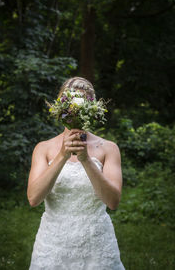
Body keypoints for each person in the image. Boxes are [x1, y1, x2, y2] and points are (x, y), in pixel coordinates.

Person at [27, 77, 125, 270]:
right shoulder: (43, 148)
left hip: (97, 245)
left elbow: (113, 202)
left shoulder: (109, 149)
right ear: (60, 109)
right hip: (52, 244)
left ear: (92, 109)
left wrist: (86, 160)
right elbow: (33, 198)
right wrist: (62, 155)